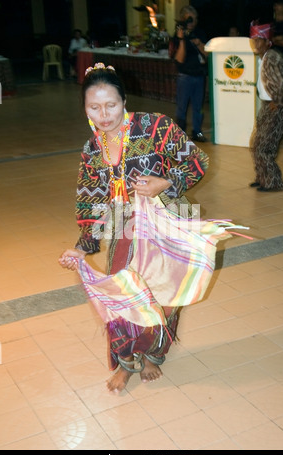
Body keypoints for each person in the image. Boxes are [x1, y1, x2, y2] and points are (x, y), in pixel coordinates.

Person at [58, 63, 209, 393]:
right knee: (121, 295)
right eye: (94, 107)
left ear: (124, 100)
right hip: (122, 226)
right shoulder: (91, 150)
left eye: (111, 104)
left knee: (164, 295)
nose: (104, 114)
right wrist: (82, 247)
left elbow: (198, 161)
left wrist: (165, 182)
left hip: (165, 220)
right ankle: (126, 361)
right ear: (85, 108)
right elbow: (90, 201)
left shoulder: (155, 126)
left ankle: (155, 353)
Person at [249, 21, 283, 192]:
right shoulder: (264, 58)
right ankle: (263, 177)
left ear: (267, 41)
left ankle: (272, 182)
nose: (255, 43)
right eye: (253, 39)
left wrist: (279, 101)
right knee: (256, 143)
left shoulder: (272, 58)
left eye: (258, 39)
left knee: (263, 146)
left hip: (278, 106)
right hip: (266, 105)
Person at [171, 5, 208, 143]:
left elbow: (207, 54)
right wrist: (181, 39)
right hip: (184, 76)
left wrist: (198, 43)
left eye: (195, 19)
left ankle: (197, 132)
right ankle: (180, 135)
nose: (192, 22)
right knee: (182, 107)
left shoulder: (200, 33)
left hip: (199, 75)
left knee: (199, 107)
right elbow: (179, 59)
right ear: (183, 19)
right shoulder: (178, 35)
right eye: (189, 19)